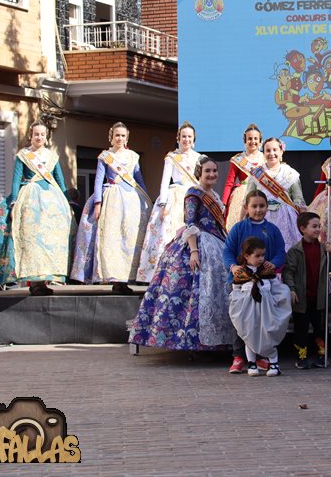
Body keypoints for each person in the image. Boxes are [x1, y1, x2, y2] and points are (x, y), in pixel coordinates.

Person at [129, 156, 232, 351]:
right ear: (199, 173)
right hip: (198, 244)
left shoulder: (214, 195)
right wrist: (194, 251)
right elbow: (190, 224)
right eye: (207, 171)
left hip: (216, 242)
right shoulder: (194, 193)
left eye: (214, 171)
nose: (211, 174)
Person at [0, 122, 73, 295]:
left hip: (51, 201)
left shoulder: (52, 156)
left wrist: (67, 202)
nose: (39, 137)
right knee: (32, 241)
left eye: (42, 134)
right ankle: (35, 282)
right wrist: (14, 202)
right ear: (31, 135)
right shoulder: (23, 155)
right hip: (30, 199)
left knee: (50, 240)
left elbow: (60, 180)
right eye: (36, 134)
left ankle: (45, 279)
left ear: (46, 137)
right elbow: (15, 180)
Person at [71, 122, 151, 294]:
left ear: (127, 137)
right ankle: (115, 278)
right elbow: (98, 181)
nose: (120, 138)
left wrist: (147, 200)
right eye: (117, 135)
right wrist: (98, 203)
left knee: (129, 239)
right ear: (111, 136)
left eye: (123, 135)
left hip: (131, 202)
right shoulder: (105, 156)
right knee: (113, 239)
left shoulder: (133, 157)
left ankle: (126, 277)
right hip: (112, 200)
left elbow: (139, 179)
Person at [224, 190, 286, 373]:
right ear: (246, 207)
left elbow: (280, 252)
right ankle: (238, 356)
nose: (258, 210)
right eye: (254, 206)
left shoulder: (272, 230)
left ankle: (261, 356)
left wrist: (272, 264)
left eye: (261, 206)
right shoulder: (239, 228)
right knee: (241, 320)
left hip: (263, 283)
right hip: (242, 282)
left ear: (267, 207)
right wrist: (233, 267)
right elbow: (227, 250)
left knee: (262, 321)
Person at [137, 122, 201, 283]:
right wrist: (163, 204)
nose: (186, 139)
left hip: (192, 197)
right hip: (175, 198)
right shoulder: (171, 157)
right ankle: (162, 274)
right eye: (183, 136)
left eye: (189, 136)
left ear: (194, 139)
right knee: (168, 236)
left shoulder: (200, 158)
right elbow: (164, 182)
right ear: (178, 138)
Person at [228, 236, 292, 377]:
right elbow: (236, 289)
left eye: (263, 255)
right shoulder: (241, 273)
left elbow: (276, 286)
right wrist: (238, 303)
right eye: (257, 256)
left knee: (269, 331)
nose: (261, 259)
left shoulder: (267, 271)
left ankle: (273, 363)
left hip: (266, 307)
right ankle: (252, 363)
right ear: (246, 256)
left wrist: (281, 297)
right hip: (248, 309)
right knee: (250, 333)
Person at [283, 212, 331, 369]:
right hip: (302, 297)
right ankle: (302, 356)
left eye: (319, 226)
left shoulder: (323, 248)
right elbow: (288, 272)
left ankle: (322, 354)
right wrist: (292, 289)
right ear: (302, 229)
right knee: (301, 328)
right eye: (314, 226)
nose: (318, 229)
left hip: (320, 297)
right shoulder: (295, 251)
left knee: (320, 327)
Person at [246, 137, 305, 251]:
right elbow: (247, 199)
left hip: (286, 218)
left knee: (286, 251)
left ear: (281, 151)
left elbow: (299, 199)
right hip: (261, 215)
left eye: (275, 150)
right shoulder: (257, 174)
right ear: (263, 153)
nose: (271, 153)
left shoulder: (290, 173)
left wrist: (299, 215)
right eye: (268, 150)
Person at [222, 124, 265, 232]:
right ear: (245, 141)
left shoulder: (265, 158)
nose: (252, 141)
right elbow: (229, 182)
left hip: (262, 193)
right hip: (241, 197)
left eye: (256, 138)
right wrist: (223, 203)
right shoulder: (238, 159)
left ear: (260, 141)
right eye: (249, 138)